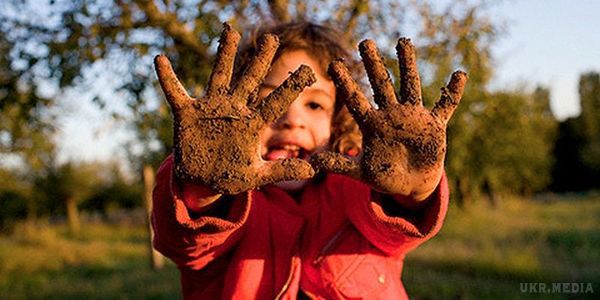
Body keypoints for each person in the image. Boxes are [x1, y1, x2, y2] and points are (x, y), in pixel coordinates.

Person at [151, 21, 466, 299]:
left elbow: (395, 229)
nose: (291, 119)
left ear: (338, 121)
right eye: (268, 100)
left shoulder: (354, 191)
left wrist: (414, 191)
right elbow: (188, 244)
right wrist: (205, 189)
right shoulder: (233, 204)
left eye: (314, 105)